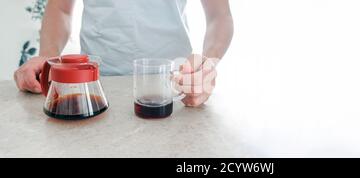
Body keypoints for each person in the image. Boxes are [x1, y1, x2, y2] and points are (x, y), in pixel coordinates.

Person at [14, 0, 234, 107]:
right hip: (96, 87)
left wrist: (208, 63)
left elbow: (219, 15)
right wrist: (47, 56)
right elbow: (60, 8)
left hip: (176, 85)